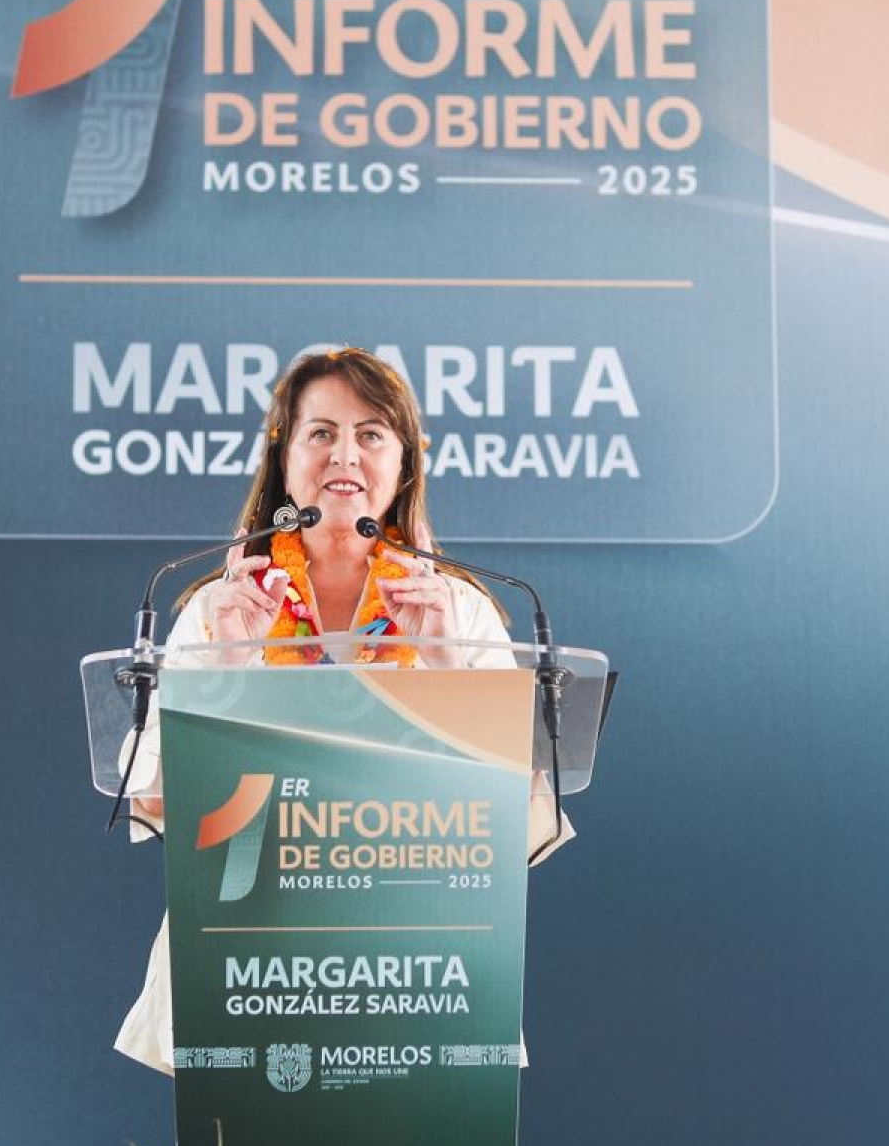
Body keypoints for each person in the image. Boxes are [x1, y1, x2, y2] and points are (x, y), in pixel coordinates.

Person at [113, 347, 570, 1073]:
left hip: (415, 966)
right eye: (320, 432)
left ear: (404, 464)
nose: (345, 454)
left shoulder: (458, 611)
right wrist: (223, 672)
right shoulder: (220, 607)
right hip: (247, 959)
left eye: (371, 434)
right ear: (285, 458)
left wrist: (448, 669)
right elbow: (153, 799)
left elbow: (519, 821)